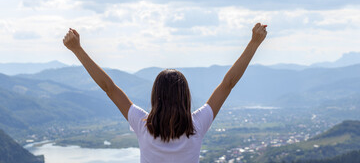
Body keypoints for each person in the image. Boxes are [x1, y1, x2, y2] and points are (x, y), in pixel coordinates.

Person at [63, 23, 267, 163]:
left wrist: (77, 49)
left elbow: (109, 88)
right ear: (185, 96)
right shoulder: (197, 125)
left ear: (155, 96)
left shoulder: (143, 124)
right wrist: (254, 43)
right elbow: (227, 84)